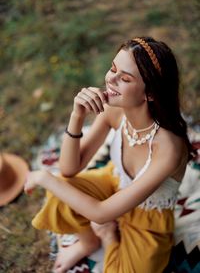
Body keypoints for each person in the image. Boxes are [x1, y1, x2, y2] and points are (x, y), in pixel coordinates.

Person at [24, 37, 193, 273]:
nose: (110, 80)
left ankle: (107, 237)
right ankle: (88, 241)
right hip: (115, 185)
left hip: (149, 218)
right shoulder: (113, 112)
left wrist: (44, 177)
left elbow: (101, 213)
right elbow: (69, 169)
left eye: (124, 78)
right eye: (113, 69)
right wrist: (77, 116)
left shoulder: (168, 147)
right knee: (63, 191)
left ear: (151, 94)